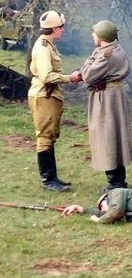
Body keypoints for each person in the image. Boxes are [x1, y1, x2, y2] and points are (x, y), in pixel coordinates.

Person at [28, 10, 82, 191]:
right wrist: (70, 78)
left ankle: (53, 178)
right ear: (54, 29)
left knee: (50, 136)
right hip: (44, 96)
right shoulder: (43, 48)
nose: (63, 30)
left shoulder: (48, 44)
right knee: (44, 138)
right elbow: (47, 76)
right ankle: (48, 180)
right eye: (61, 27)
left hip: (49, 96)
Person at [79, 20, 132, 191]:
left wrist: (91, 59)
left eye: (95, 33)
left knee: (107, 138)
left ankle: (115, 183)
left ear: (102, 36)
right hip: (113, 97)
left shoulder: (106, 55)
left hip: (107, 101)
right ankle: (117, 181)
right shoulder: (114, 50)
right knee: (113, 136)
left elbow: (87, 75)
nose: (92, 35)